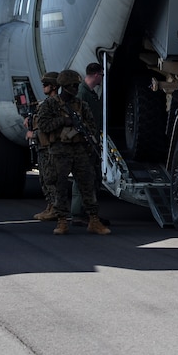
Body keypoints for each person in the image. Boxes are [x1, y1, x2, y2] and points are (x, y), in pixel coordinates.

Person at [36, 69, 111, 235]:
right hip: (59, 150)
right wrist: (64, 121)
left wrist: (86, 137)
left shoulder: (81, 105)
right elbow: (43, 125)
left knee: (87, 184)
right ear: (63, 86)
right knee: (61, 186)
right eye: (72, 86)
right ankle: (62, 221)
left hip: (79, 150)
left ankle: (93, 220)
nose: (75, 89)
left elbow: (91, 126)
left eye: (77, 85)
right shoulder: (50, 105)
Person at [71, 62, 105, 224]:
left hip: (91, 143)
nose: (102, 79)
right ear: (97, 75)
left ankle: (88, 212)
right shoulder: (81, 94)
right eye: (102, 75)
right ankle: (78, 213)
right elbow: (76, 120)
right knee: (82, 177)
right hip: (83, 143)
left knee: (93, 178)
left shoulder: (89, 94)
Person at [28, 72, 60, 221]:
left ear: (54, 86)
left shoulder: (54, 104)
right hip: (43, 146)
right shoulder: (47, 103)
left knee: (50, 178)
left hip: (49, 147)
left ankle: (55, 208)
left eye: (46, 85)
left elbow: (47, 127)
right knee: (44, 179)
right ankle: (50, 206)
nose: (43, 87)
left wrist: (33, 135)